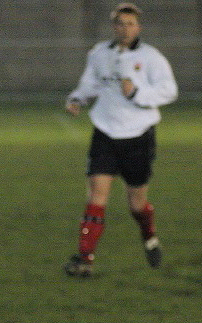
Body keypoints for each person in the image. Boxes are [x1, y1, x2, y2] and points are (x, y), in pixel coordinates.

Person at [63, 3, 178, 277]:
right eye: (120, 24)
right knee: (96, 195)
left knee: (136, 205)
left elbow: (169, 90)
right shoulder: (99, 53)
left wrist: (137, 93)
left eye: (130, 24)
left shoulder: (152, 57)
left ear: (138, 27)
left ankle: (148, 234)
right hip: (105, 131)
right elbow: (91, 83)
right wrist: (77, 98)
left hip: (138, 136)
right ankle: (84, 259)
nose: (125, 29)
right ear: (113, 27)